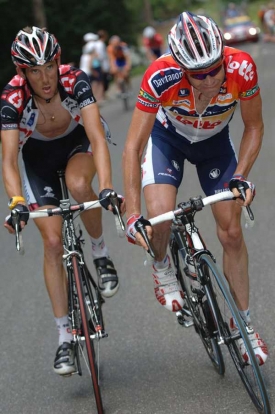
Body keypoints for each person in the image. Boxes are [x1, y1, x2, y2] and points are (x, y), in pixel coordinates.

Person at [122, 12, 268, 366]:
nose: (209, 79)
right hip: (167, 140)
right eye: (198, 74)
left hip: (215, 143)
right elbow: (133, 146)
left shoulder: (241, 68)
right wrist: (130, 212)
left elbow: (253, 127)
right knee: (159, 218)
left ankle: (244, 324)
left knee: (232, 232)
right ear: (182, 68)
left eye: (215, 69)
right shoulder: (160, 75)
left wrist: (242, 175)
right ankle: (162, 266)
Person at [1, 26, 124, 376]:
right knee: (53, 243)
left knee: (79, 185)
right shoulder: (12, 100)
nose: (45, 78)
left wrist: (109, 187)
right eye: (34, 71)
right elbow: (9, 161)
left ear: (58, 62)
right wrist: (16, 202)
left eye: (49, 67)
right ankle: (64, 338)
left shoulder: (75, 81)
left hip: (76, 145)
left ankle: (100, 255)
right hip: (37, 161)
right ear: (21, 72)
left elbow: (97, 138)